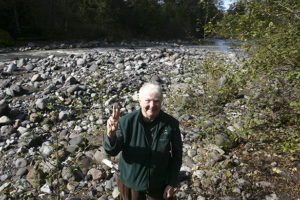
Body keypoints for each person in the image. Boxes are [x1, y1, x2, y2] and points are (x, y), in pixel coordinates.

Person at [104, 82, 183, 200]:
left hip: (159, 184)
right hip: (130, 184)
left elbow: (177, 155)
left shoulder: (171, 124)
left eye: (156, 101)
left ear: (161, 102)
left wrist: (171, 183)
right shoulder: (126, 122)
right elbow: (112, 151)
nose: (152, 105)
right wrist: (111, 135)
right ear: (139, 101)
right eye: (148, 101)